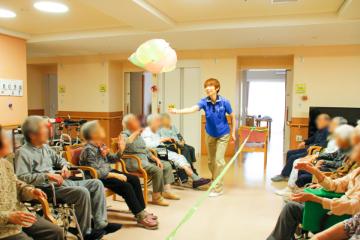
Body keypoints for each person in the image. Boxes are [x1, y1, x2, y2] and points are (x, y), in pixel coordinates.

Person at [14, 116, 121, 240]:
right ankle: (86, 233)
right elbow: (22, 177)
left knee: (96, 183)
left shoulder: (45, 148)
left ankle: (100, 225)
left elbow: (61, 160)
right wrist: (47, 175)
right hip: (45, 189)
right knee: (82, 192)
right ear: (33, 135)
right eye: (43, 129)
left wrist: (65, 167)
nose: (48, 132)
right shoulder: (23, 153)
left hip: (61, 182)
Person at [267, 143, 360, 240]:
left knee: (291, 208)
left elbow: (351, 206)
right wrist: (313, 170)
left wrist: (315, 198)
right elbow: (334, 185)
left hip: (338, 216)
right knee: (292, 205)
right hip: (333, 210)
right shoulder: (357, 171)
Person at [79, 120, 158, 230]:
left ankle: (140, 209)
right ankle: (140, 215)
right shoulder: (88, 150)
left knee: (134, 179)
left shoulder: (99, 146)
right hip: (97, 178)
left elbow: (112, 159)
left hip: (108, 172)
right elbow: (95, 172)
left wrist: (121, 150)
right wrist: (115, 175)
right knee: (126, 186)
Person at [169, 78, 236, 197]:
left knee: (219, 161)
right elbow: (192, 109)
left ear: (217, 89)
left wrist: (234, 133)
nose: (207, 90)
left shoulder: (225, 102)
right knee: (211, 161)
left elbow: (233, 116)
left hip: (223, 134)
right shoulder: (204, 102)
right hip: (210, 133)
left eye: (210, 88)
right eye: (206, 88)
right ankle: (215, 179)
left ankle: (218, 188)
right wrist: (177, 111)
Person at [0, 125, 64, 240]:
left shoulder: (5, 164)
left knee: (56, 232)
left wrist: (31, 191)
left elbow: (17, 184)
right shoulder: (22, 152)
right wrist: (8, 217)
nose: (10, 140)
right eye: (6, 138)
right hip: (4, 227)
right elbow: (25, 176)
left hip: (19, 214)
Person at [276, 117, 349, 196]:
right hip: (323, 158)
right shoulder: (337, 138)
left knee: (299, 165)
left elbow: (341, 164)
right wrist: (316, 156)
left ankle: (293, 190)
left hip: (330, 168)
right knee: (298, 162)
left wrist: (322, 161)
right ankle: (292, 189)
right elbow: (333, 154)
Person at [121, 114, 178, 206]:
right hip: (134, 162)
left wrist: (156, 159)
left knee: (166, 164)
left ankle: (166, 191)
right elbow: (126, 143)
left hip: (144, 159)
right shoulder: (124, 134)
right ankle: (156, 197)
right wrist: (136, 132)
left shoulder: (138, 135)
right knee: (157, 170)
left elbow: (145, 149)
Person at [142, 114, 211, 189]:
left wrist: (164, 139)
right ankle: (194, 179)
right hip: (156, 151)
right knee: (179, 158)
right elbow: (148, 145)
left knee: (181, 157)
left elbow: (158, 139)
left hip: (162, 149)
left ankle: (195, 178)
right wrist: (162, 140)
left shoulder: (154, 130)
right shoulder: (146, 132)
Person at [271, 113, 330, 182]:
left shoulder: (328, 131)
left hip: (315, 152)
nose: (317, 122)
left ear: (326, 121)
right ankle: (288, 172)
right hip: (309, 149)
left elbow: (323, 145)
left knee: (293, 157)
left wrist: (311, 146)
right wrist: (304, 142)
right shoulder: (321, 130)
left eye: (320, 120)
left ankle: (284, 175)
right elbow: (312, 138)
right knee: (290, 152)